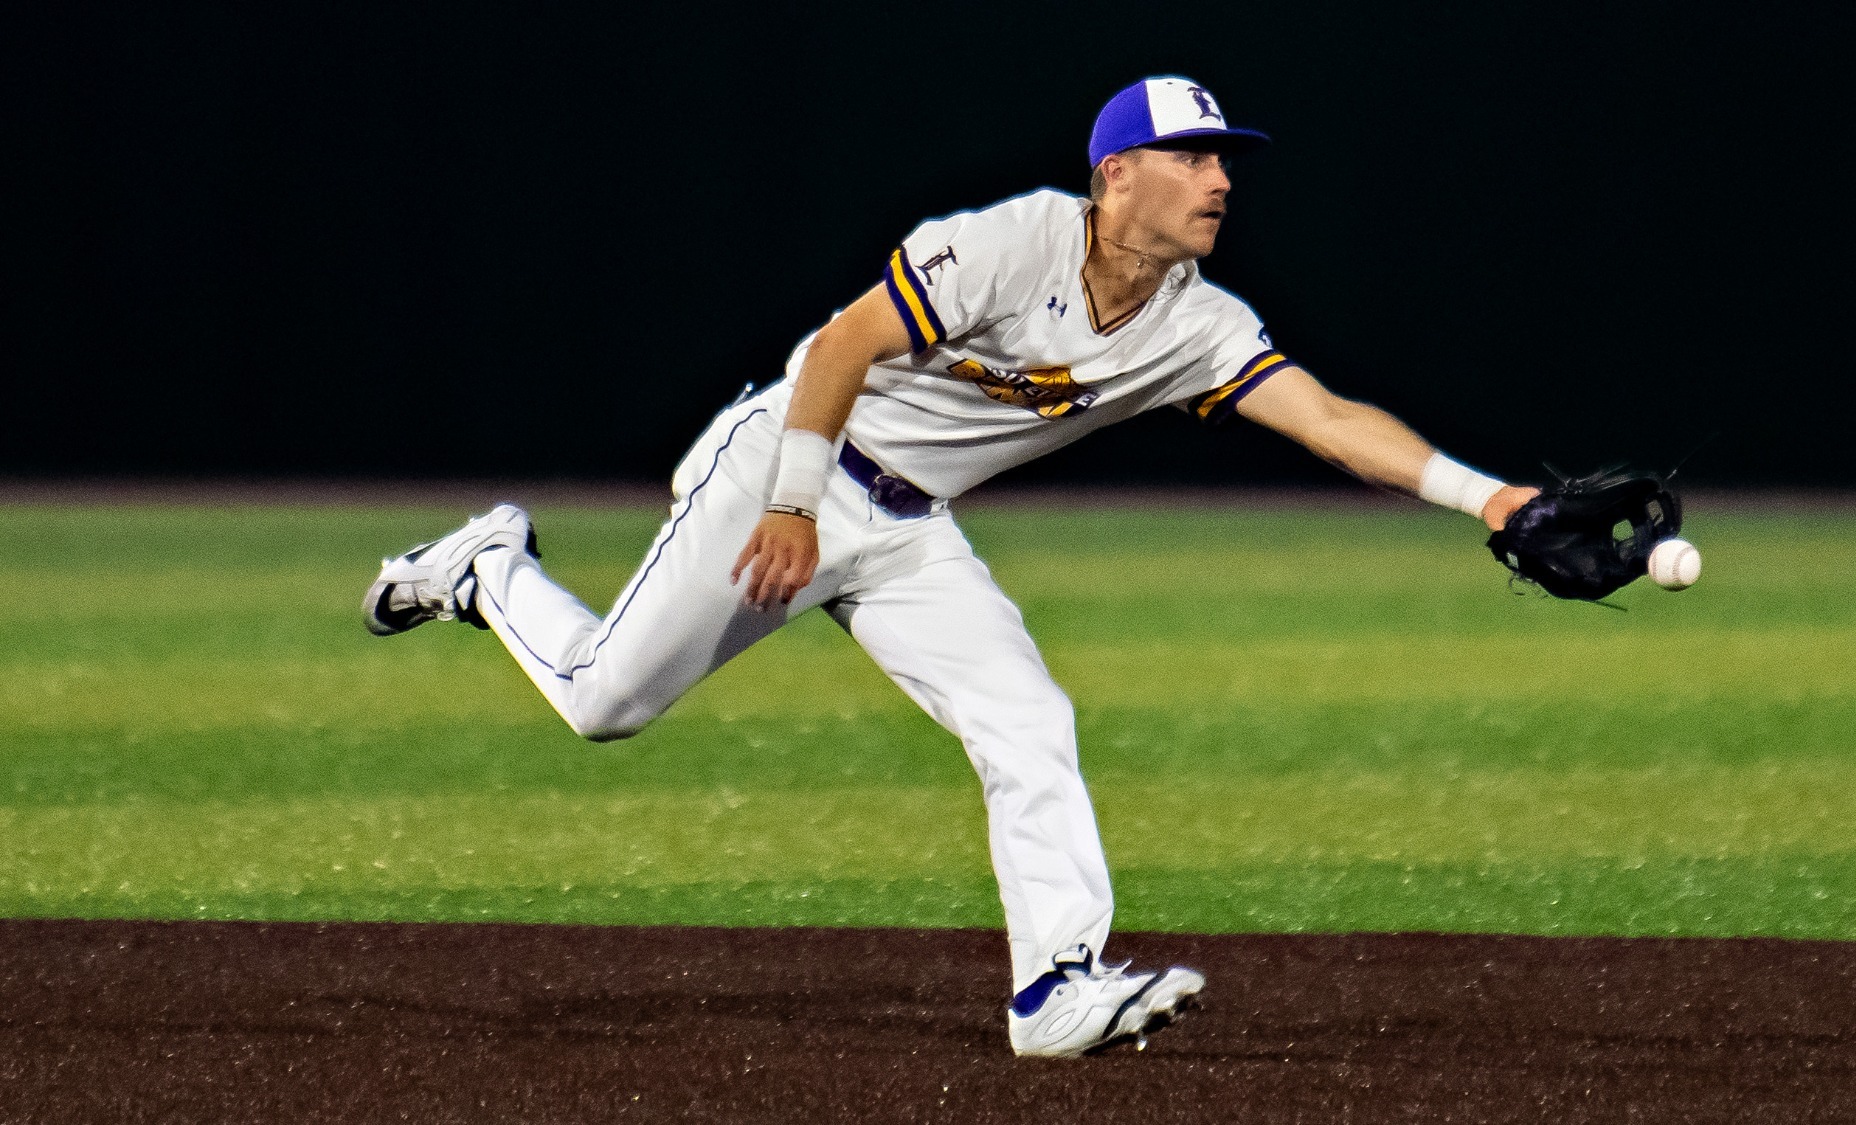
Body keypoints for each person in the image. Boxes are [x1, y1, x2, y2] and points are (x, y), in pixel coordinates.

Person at [363, 75, 1537, 1058]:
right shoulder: (1010, 241)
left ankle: (1055, 989)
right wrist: (788, 504)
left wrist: (1492, 500)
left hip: (909, 527)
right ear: (1115, 173)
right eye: (1191, 155)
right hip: (792, 466)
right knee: (602, 705)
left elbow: (1328, 419)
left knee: (1026, 716)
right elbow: (842, 345)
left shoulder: (1197, 322)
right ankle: (486, 567)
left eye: (1224, 159)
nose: (1220, 178)